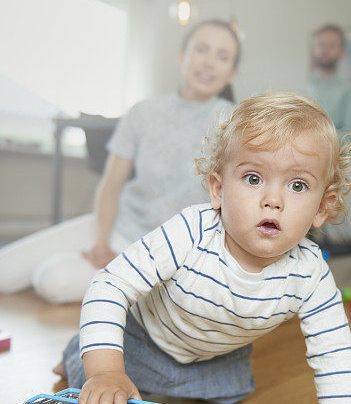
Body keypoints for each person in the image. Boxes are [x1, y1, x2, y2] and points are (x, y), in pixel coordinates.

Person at [58, 91, 351, 404]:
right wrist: (106, 370)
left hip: (217, 356)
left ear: (323, 207)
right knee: (97, 387)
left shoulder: (310, 272)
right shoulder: (192, 231)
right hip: (143, 340)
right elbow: (110, 284)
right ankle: (81, 351)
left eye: (298, 185)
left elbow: (335, 358)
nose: (273, 199)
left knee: (235, 392)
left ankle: (156, 378)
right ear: (217, 189)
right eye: (253, 179)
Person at [0, 19, 241, 304]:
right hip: (115, 224)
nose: (210, 62)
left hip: (161, 250)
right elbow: (111, 184)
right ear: (181, 56)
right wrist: (101, 242)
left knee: (52, 280)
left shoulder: (235, 123)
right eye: (201, 49)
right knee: (5, 268)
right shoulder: (143, 112)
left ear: (231, 73)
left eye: (222, 56)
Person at [304, 24, 351, 139]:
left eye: (331, 45)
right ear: (314, 49)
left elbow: (348, 140)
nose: (324, 50)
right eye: (321, 44)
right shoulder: (299, 91)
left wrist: (307, 137)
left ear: (342, 52)